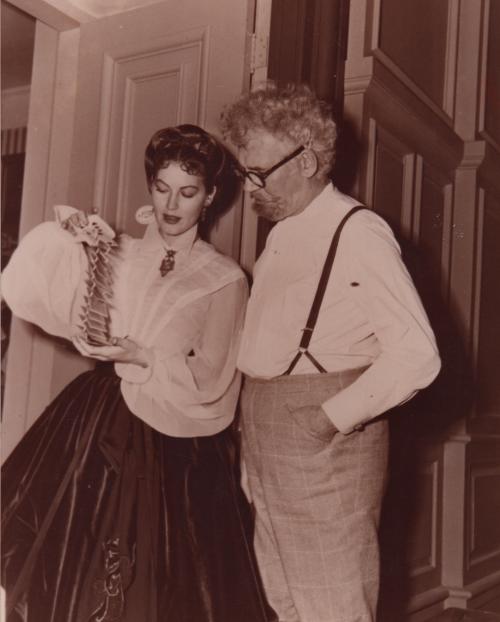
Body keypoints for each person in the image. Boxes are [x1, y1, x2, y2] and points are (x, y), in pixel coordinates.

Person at [1, 124, 274, 622]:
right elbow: (35, 291)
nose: (172, 205)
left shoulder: (225, 278)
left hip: (177, 439)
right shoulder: (116, 251)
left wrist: (147, 359)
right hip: (95, 420)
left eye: (188, 192)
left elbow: (216, 376)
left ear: (210, 196)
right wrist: (66, 242)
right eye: (162, 188)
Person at [220, 83, 441, 622]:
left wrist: (327, 419)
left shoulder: (358, 231)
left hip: (321, 440)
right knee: (284, 598)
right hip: (266, 433)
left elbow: (417, 354)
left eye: (261, 173)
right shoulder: (284, 233)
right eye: (245, 173)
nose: (250, 189)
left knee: (334, 604)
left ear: (310, 159)